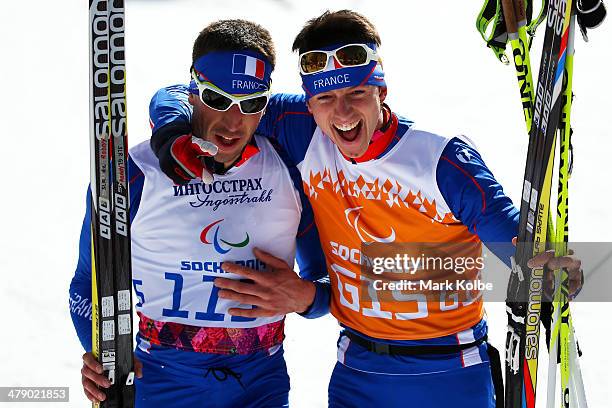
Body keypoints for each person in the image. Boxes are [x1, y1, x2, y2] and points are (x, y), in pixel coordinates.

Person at [147, 10, 584, 408]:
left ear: (381, 89)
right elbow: (180, 92)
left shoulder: (441, 160)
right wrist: (173, 137)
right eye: (324, 99)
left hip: (450, 374)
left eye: (356, 93)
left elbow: (514, 241)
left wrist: (547, 265)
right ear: (308, 102)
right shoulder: (298, 128)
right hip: (356, 374)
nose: (342, 113)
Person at [69, 19, 327, 408]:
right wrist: (102, 353)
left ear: (265, 104)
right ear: (193, 93)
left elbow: (327, 280)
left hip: (261, 384)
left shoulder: (288, 161)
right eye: (217, 100)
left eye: (251, 104)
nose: (233, 122)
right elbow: (85, 284)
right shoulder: (134, 173)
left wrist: (306, 297)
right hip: (160, 381)